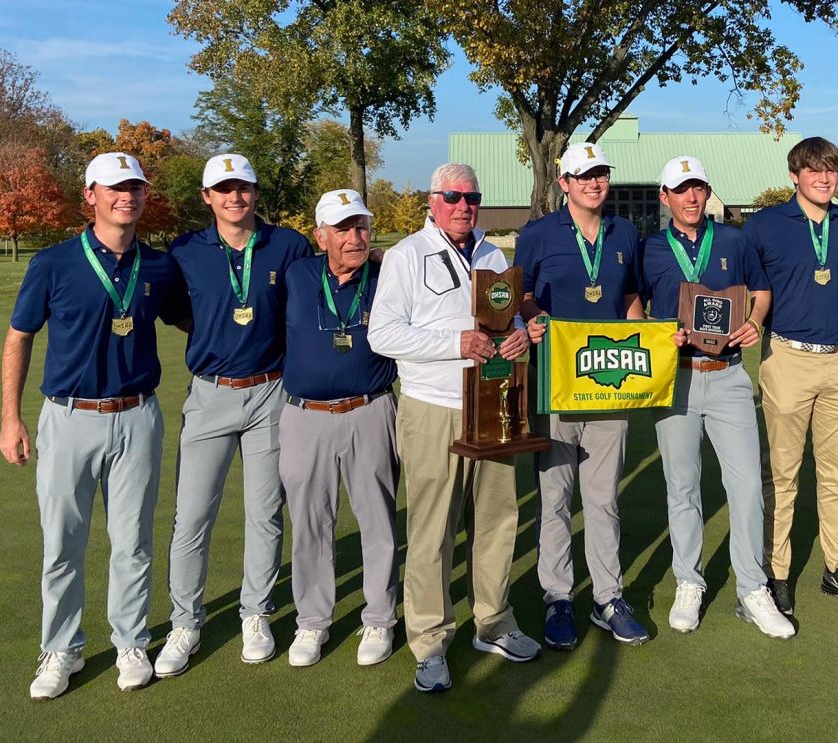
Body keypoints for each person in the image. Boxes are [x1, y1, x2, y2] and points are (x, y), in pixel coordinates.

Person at [0, 152, 189, 699]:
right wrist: (10, 418)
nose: (125, 196)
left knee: (132, 542)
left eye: (134, 187)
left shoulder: (157, 266)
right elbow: (19, 336)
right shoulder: (53, 263)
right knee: (63, 543)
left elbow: (190, 321)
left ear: (144, 196)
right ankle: (61, 650)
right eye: (114, 188)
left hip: (137, 416)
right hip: (68, 417)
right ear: (91, 195)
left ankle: (131, 639)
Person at [368, 163, 540, 693]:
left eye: (473, 196)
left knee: (496, 521)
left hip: (494, 402)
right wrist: (454, 344)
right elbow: (382, 334)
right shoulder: (404, 256)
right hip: (433, 407)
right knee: (432, 530)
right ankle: (430, 640)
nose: (464, 205)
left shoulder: (493, 255)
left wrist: (518, 336)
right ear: (433, 199)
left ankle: (493, 621)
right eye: (453, 196)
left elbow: (504, 318)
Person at [155, 154, 312, 676]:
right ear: (207, 197)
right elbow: (180, 312)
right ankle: (185, 623)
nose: (234, 197)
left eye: (242, 187)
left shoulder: (287, 244)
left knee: (265, 513)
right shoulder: (185, 250)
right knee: (192, 516)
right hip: (209, 394)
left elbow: (309, 298)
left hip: (271, 392)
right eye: (223, 189)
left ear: (255, 191)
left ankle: (256, 613)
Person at [638, 156, 793, 638]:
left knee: (746, 486)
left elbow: (761, 292)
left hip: (727, 376)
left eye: (698, 188)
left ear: (708, 193)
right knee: (682, 487)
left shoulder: (733, 240)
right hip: (675, 379)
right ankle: (689, 580)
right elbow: (636, 307)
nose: (691, 197)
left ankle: (752, 587)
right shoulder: (651, 248)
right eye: (681, 190)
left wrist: (753, 322)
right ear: (665, 197)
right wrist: (657, 333)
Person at [744, 136, 838, 620]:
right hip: (788, 356)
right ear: (795, 176)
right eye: (813, 171)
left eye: (831, 170)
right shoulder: (764, 225)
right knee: (781, 475)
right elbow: (738, 284)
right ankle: (775, 573)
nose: (824, 179)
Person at [515, 141, 649, 650]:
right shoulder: (538, 233)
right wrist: (532, 316)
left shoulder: (625, 232)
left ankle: (608, 597)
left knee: (602, 497)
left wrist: (647, 341)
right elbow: (520, 290)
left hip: (609, 382)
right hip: (555, 383)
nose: (595, 182)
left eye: (600, 174)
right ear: (563, 183)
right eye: (584, 175)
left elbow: (632, 296)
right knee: (554, 498)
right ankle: (557, 598)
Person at [276, 189, 399, 667]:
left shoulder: (387, 273)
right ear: (320, 234)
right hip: (305, 415)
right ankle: (312, 623)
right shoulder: (297, 275)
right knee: (310, 524)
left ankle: (379, 619)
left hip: (369, 410)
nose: (355, 237)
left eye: (362, 226)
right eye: (344, 228)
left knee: (378, 521)